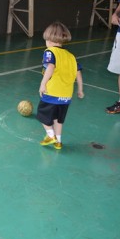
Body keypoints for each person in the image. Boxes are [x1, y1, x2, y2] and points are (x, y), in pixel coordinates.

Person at [36, 22, 84, 150]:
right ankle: (58, 142)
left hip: (52, 92)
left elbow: (50, 67)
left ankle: (50, 135)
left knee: (41, 115)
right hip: (66, 96)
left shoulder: (50, 52)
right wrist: (80, 89)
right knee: (58, 119)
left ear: (49, 39)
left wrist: (43, 84)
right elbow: (78, 73)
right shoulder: (71, 56)